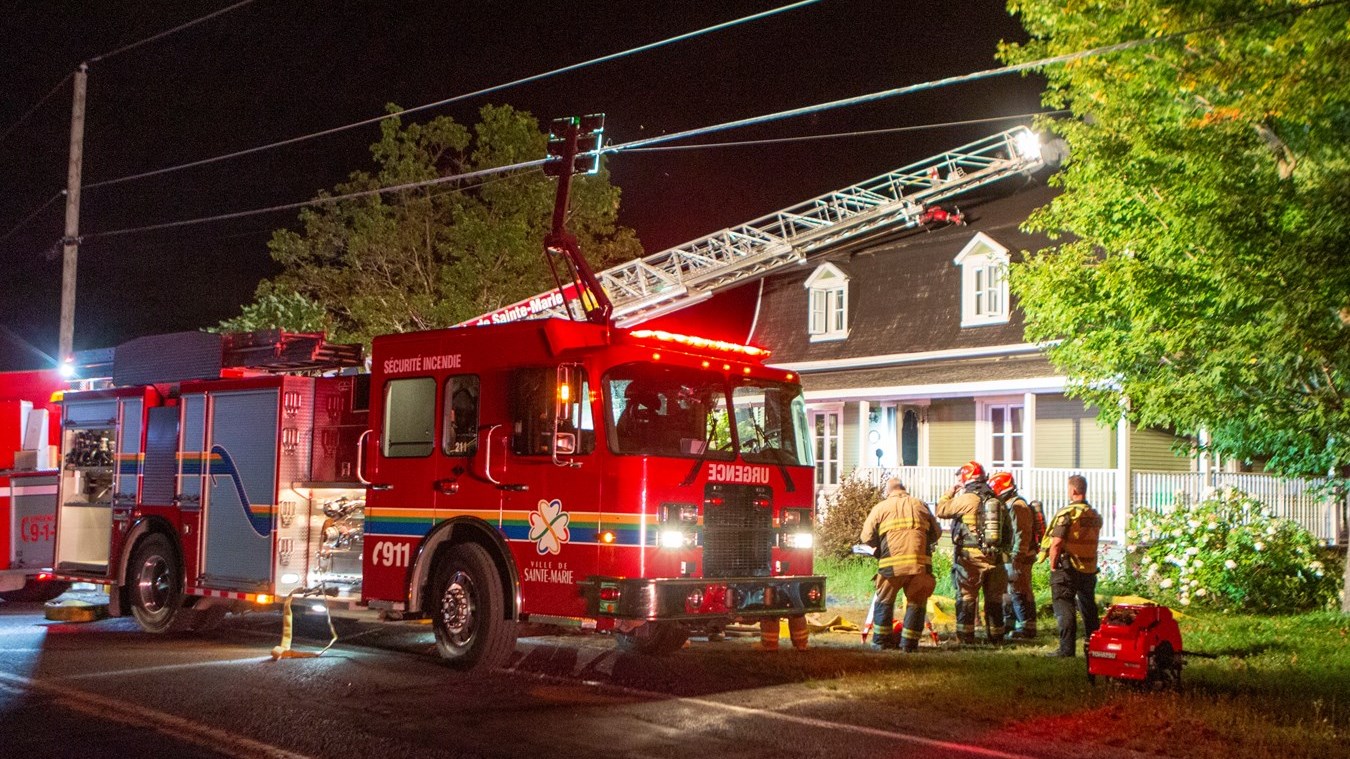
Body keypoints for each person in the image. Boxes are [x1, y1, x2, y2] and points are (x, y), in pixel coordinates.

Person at [860, 477, 940, 651]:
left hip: (891, 566)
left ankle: (881, 642)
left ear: (888, 492)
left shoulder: (881, 507)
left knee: (884, 601)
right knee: (917, 603)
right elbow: (936, 533)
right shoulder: (921, 505)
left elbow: (866, 537)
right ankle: (909, 645)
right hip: (920, 566)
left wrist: (879, 546)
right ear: (904, 489)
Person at [935, 461, 1007, 644]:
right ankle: (997, 637)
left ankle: (966, 637)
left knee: (967, 597)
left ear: (966, 478)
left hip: (970, 559)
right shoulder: (997, 500)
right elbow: (1008, 531)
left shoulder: (967, 499)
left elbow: (941, 510)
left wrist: (951, 490)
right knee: (994, 599)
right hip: (995, 557)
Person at [1040, 474, 1103, 657]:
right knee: (1088, 608)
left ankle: (1066, 649)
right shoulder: (1093, 515)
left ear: (1073, 490)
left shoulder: (1067, 514)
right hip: (1089, 568)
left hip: (1067, 568)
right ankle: (1094, 647)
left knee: (1064, 606)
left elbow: (1057, 542)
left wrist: (1053, 565)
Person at [990, 471, 1037, 640]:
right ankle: (1010, 625)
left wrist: (1017, 557)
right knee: (1009, 591)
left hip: (1019, 557)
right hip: (1009, 555)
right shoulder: (1008, 503)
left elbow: (1022, 533)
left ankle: (1027, 628)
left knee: (1020, 590)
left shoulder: (1018, 505)